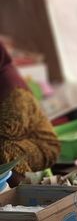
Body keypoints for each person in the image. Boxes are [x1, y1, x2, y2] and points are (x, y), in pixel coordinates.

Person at [0, 38, 60, 186]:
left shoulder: (12, 88)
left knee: (4, 148)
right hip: (17, 140)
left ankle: (26, 191)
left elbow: (10, 130)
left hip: (41, 145)